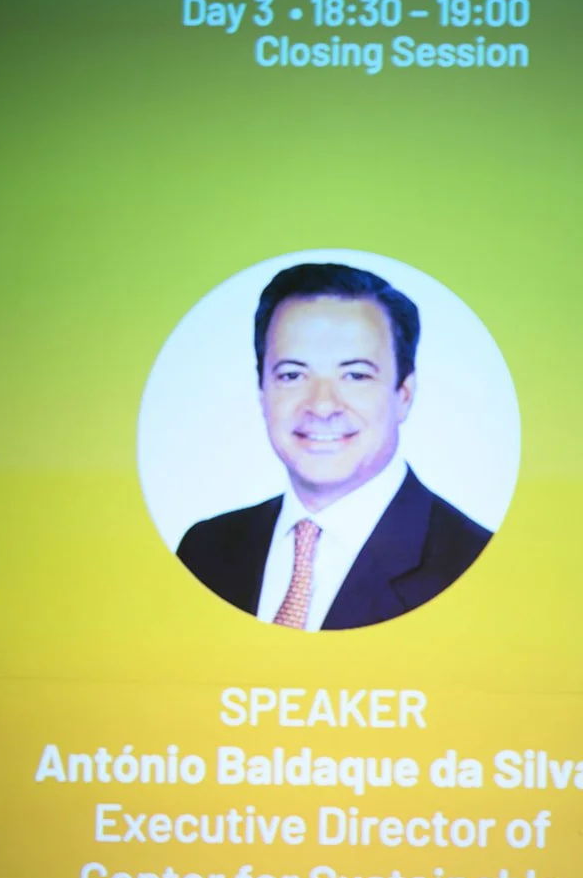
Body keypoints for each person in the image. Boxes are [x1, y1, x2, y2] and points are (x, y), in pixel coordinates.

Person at [177, 262, 492, 630]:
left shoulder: (475, 567)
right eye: (293, 374)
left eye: (355, 375)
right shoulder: (205, 550)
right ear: (263, 392)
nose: (322, 405)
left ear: (404, 395)